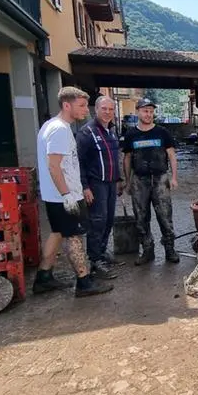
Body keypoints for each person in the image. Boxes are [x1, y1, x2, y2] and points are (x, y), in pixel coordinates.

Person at [35, 86, 113, 297]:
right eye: (81, 106)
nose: (85, 111)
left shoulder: (51, 126)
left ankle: (43, 276)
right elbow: (54, 166)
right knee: (75, 237)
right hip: (64, 196)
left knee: (58, 233)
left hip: (55, 196)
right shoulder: (60, 129)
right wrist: (67, 195)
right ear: (66, 105)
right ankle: (84, 282)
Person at [122, 98, 180, 265]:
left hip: (160, 179)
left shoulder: (162, 132)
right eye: (145, 111)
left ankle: (170, 250)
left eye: (151, 111)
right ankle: (148, 250)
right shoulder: (131, 134)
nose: (148, 114)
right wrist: (128, 182)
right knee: (141, 217)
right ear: (138, 112)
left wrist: (174, 177)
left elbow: (172, 155)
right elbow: (126, 159)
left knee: (165, 216)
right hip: (139, 180)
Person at [76, 95, 125, 279]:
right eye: (104, 109)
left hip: (111, 184)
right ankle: (94, 261)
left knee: (108, 220)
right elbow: (78, 161)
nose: (107, 112)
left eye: (111, 109)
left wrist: (119, 180)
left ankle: (102, 253)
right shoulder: (87, 133)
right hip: (96, 184)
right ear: (95, 110)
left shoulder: (111, 131)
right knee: (97, 222)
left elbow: (114, 159)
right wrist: (84, 186)